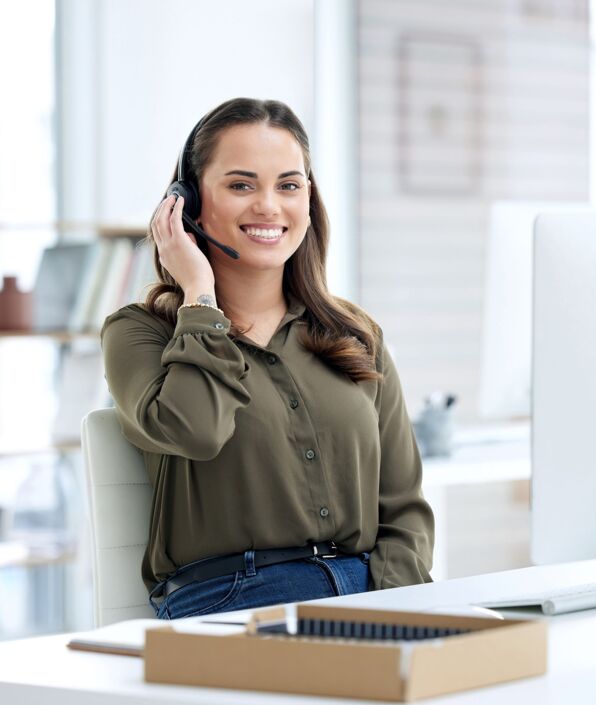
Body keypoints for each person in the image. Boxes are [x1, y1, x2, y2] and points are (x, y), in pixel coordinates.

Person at [101, 97, 434, 620]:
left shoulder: (354, 334)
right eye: (240, 185)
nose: (269, 207)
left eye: (288, 185)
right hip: (232, 601)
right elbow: (195, 430)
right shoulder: (140, 332)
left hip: (374, 592)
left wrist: (400, 610)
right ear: (186, 204)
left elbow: (403, 510)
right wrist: (200, 296)